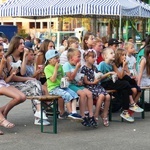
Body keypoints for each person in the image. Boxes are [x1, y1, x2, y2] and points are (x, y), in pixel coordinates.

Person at [5, 36, 50, 126]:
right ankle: (39, 114)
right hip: (12, 83)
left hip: (21, 83)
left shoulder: (22, 56)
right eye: (20, 43)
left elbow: (22, 72)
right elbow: (13, 77)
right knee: (35, 85)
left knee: (36, 84)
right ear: (15, 45)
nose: (23, 45)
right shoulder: (10, 58)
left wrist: (25, 57)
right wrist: (29, 78)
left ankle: (39, 112)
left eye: (23, 43)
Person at [97, 47, 139, 122]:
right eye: (111, 53)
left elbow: (119, 75)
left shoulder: (112, 64)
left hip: (111, 82)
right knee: (125, 83)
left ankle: (125, 111)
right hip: (104, 84)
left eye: (113, 53)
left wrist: (123, 67)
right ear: (105, 56)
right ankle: (131, 103)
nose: (113, 54)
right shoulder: (102, 64)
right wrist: (109, 73)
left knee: (125, 89)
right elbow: (99, 77)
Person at [44, 49, 82, 121]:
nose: (58, 59)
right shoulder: (47, 68)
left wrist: (66, 78)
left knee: (74, 94)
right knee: (67, 95)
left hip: (61, 86)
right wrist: (55, 69)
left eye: (58, 58)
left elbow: (62, 77)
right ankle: (70, 113)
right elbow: (52, 79)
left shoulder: (60, 67)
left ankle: (74, 112)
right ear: (49, 60)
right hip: (53, 88)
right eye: (56, 58)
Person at [63, 48, 97, 127]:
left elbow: (77, 77)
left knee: (89, 93)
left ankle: (91, 115)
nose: (79, 59)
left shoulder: (77, 65)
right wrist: (77, 68)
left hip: (77, 84)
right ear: (71, 58)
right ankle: (83, 116)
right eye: (78, 57)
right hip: (69, 85)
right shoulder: (66, 65)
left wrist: (80, 81)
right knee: (82, 94)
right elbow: (70, 78)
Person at [0, 43, 26, 135]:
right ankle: (2, 119)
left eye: (3, 50)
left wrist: (12, 73)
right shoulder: (2, 61)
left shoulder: (3, 60)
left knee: (22, 97)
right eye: (0, 50)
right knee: (18, 97)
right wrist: (2, 65)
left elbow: (5, 79)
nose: (2, 52)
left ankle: (2, 112)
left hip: (3, 83)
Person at [81, 49, 110, 126]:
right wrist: (93, 82)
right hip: (90, 86)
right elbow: (85, 81)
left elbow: (98, 76)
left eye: (95, 57)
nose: (95, 59)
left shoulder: (94, 67)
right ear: (86, 58)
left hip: (96, 86)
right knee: (101, 96)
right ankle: (96, 114)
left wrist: (100, 76)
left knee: (108, 96)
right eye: (92, 57)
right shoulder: (84, 68)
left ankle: (105, 114)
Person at [113, 48, 143, 116]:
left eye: (125, 55)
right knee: (134, 90)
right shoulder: (114, 64)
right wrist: (123, 67)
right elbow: (120, 76)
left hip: (126, 81)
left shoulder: (124, 63)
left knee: (139, 90)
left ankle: (132, 106)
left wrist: (125, 67)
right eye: (123, 55)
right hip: (120, 82)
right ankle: (130, 105)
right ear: (118, 55)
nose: (124, 57)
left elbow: (128, 73)